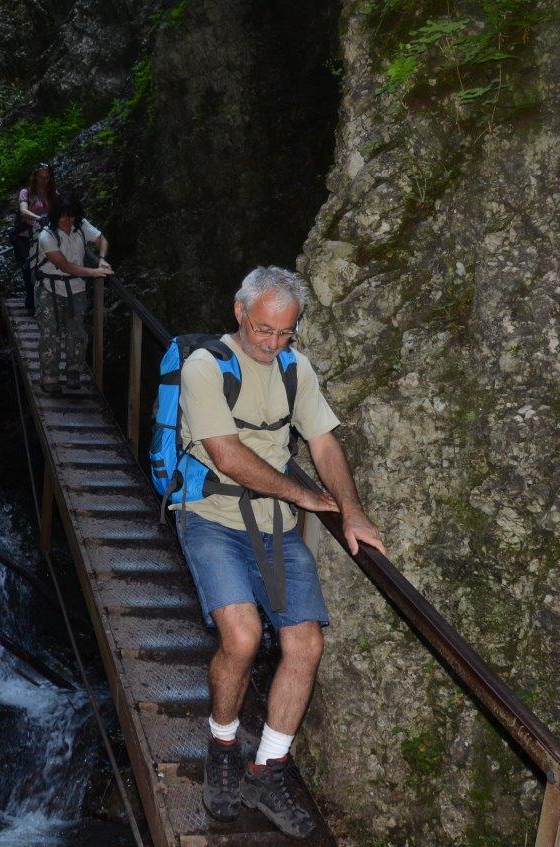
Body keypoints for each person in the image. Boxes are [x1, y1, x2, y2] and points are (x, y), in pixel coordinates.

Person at [174, 266, 385, 838]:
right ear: (239, 312)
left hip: (274, 524)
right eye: (263, 329)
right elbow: (226, 455)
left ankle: (267, 767)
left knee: (306, 643)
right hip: (210, 516)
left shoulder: (296, 367)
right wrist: (302, 495)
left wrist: (351, 509)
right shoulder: (204, 367)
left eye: (285, 332)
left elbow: (323, 442)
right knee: (242, 638)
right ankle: (222, 745)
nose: (272, 344)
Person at [33, 195, 111, 395]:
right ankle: (49, 377)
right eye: (63, 216)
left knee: (76, 332)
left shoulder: (81, 226)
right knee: (50, 332)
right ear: (55, 216)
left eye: (71, 216)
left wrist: (102, 259)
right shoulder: (47, 236)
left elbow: (102, 240)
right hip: (50, 288)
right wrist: (94, 272)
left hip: (77, 288)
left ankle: (73, 372)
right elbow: (65, 266)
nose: (67, 221)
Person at [13, 163, 54, 314]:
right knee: (27, 267)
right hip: (25, 236)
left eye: (46, 177)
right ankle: (31, 300)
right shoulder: (26, 192)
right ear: (35, 177)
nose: (44, 180)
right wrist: (39, 218)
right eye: (41, 177)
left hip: (45, 236)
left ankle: (44, 300)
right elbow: (23, 211)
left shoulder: (52, 193)